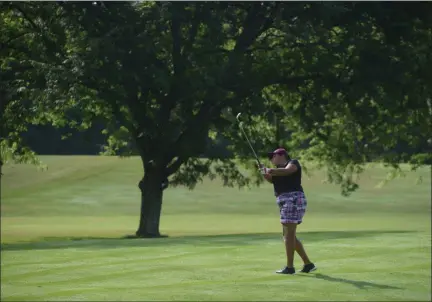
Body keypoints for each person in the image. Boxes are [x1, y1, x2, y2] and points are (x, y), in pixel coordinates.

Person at [259, 148, 317, 275]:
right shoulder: (277, 171)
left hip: (293, 199)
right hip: (285, 200)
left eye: (272, 156)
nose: (271, 159)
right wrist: (264, 172)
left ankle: (290, 267)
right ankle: (308, 264)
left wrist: (270, 170)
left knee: (288, 235)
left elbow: (287, 171)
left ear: (281, 155)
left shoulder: (292, 163)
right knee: (289, 235)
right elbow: (271, 179)